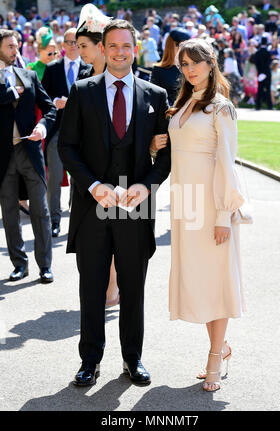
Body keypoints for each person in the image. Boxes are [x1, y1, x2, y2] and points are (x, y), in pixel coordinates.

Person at [58, 19, 171, 386]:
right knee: (91, 287)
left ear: (134, 48)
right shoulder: (82, 90)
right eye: (114, 46)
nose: (120, 52)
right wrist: (92, 186)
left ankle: (132, 359)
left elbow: (167, 157)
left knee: (133, 288)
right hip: (93, 204)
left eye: (127, 45)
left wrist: (146, 186)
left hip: (135, 205)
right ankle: (89, 360)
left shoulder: (155, 95)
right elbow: (67, 147)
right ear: (103, 50)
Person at [166, 38, 244, 392]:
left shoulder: (220, 107)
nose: (189, 69)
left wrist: (224, 215)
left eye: (195, 62)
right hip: (185, 203)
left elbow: (227, 162)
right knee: (199, 281)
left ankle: (215, 356)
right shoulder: (184, 103)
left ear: (211, 63)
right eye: (184, 64)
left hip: (212, 205)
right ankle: (220, 346)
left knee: (216, 281)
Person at [0, 29, 56, 283]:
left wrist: (42, 126)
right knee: (9, 212)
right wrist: (12, 93)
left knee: (40, 210)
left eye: (17, 45)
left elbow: (50, 108)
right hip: (3, 157)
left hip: (30, 152)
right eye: (10, 46)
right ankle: (18, 264)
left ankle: (45, 265)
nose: (16, 49)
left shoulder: (29, 75)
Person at [75, 3, 119, 308]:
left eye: (84, 46)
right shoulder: (82, 77)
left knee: (116, 229)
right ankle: (103, 285)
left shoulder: (121, 75)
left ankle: (114, 288)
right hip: (87, 170)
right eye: (77, 47)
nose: (80, 52)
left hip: (116, 167)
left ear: (99, 47)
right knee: (94, 235)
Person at [42, 28, 90, 239]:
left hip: (82, 131)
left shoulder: (89, 69)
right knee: (54, 177)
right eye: (69, 42)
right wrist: (55, 102)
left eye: (76, 42)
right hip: (57, 131)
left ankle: (75, 217)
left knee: (78, 176)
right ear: (63, 45)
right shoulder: (52, 68)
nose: (73, 46)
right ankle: (54, 220)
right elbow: (43, 96)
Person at [150, 27, 190, 106]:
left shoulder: (191, 68)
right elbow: (154, 98)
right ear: (172, 45)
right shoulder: (158, 70)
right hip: (168, 114)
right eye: (182, 45)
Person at [253, 36, 273, 110]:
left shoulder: (257, 52)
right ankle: (269, 106)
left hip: (260, 73)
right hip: (267, 73)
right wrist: (264, 72)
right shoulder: (268, 52)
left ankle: (258, 106)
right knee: (268, 90)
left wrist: (260, 72)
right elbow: (268, 63)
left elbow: (256, 63)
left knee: (260, 90)